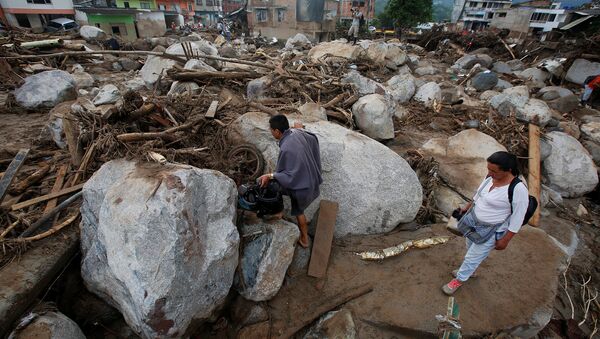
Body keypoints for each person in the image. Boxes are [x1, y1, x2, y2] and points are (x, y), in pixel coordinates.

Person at [442, 151, 529, 295]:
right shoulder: (490, 177)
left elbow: (518, 218)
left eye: (494, 170)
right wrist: (466, 209)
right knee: (470, 247)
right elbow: (478, 195)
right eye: (489, 169)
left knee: (472, 257)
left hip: (491, 230)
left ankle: (459, 280)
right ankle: (471, 271)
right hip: (473, 222)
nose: (489, 172)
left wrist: (505, 240)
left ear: (508, 170)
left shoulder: (518, 189)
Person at [258, 115, 323, 248]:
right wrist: (299, 128)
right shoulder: (297, 133)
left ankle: (281, 215)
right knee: (296, 206)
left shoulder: (287, 147)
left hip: (301, 187)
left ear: (277, 131)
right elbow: (311, 136)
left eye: (271, 129)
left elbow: (289, 177)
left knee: (272, 185)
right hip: (310, 179)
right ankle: (301, 236)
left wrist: (270, 175)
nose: (270, 132)